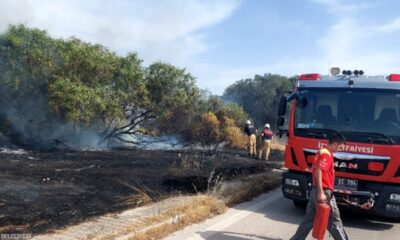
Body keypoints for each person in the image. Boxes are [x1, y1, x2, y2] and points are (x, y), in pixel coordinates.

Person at [290, 134, 348, 240]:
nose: (340, 150)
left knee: (308, 220)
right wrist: (321, 192)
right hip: (324, 191)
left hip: (315, 190)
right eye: (340, 147)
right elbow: (318, 171)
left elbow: (313, 168)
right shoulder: (326, 154)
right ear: (335, 144)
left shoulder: (322, 151)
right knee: (334, 221)